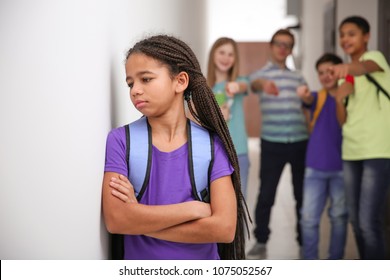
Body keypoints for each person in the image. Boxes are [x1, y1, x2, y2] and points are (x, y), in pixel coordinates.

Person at [101, 34, 249, 260]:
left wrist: (138, 218)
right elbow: (116, 220)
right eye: (130, 83)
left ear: (180, 81)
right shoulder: (121, 141)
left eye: (146, 79)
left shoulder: (212, 145)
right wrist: (192, 209)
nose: (135, 90)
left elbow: (224, 229)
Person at [329, 16, 390, 260]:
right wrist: (338, 98)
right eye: (342, 34)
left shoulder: (374, 58)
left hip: (377, 149)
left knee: (368, 221)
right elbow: (343, 120)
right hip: (351, 151)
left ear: (366, 36)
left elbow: (364, 67)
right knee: (355, 220)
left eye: (351, 33)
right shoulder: (345, 77)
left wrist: (347, 68)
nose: (345, 39)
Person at [247, 29, 308, 259]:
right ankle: (261, 240)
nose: (283, 48)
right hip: (272, 143)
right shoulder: (259, 75)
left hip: (300, 142)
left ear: (291, 50)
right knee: (266, 194)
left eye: (287, 45)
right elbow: (254, 85)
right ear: (271, 46)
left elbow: (307, 105)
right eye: (279, 44)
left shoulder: (298, 77)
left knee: (301, 195)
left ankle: (304, 242)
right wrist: (263, 83)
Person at [297, 53, 351, 259]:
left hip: (342, 169)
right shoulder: (316, 97)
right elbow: (308, 99)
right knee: (309, 219)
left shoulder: (349, 97)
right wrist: (304, 95)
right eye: (321, 73)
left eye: (330, 71)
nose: (326, 76)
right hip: (315, 168)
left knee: (339, 217)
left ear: (340, 70)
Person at [206, 37, 250, 198]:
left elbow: (246, 85)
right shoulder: (204, 88)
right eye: (222, 52)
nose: (226, 58)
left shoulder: (239, 82)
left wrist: (236, 86)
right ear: (213, 54)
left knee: (239, 203)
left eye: (231, 54)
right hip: (213, 154)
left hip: (239, 152)